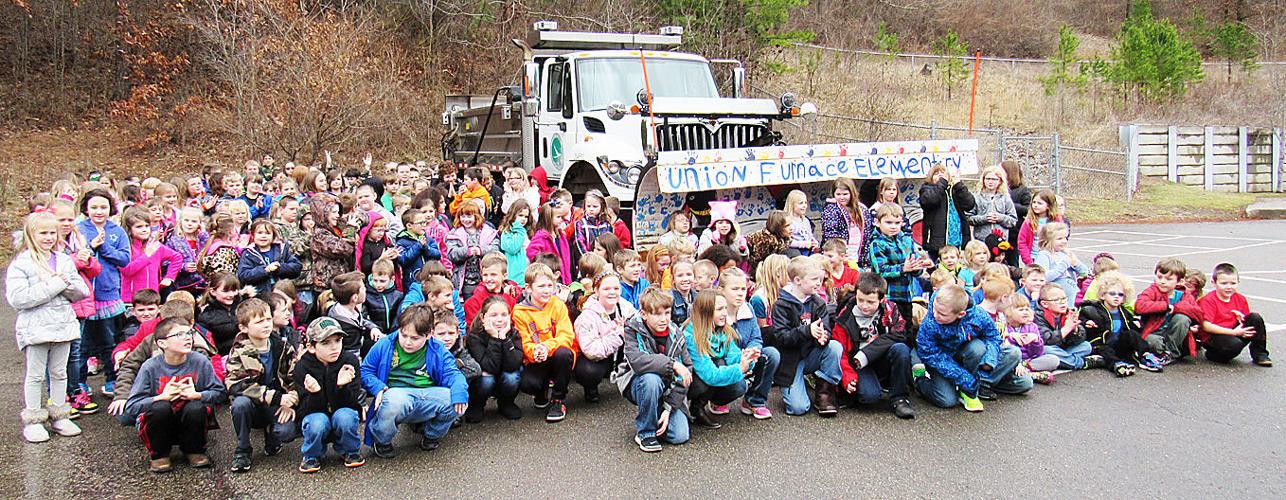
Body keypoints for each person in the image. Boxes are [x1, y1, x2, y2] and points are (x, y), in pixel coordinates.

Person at [8, 212, 90, 442]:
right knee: (35, 374)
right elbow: (19, 299)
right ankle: (34, 419)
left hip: (63, 325)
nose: (48, 237)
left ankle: (60, 413)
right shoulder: (22, 264)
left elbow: (80, 291)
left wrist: (64, 284)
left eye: (52, 233)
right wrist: (55, 284)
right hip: (36, 328)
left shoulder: (63, 259)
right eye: (43, 233)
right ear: (31, 234)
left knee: (59, 372)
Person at [360, 304, 468, 458]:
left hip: (427, 395)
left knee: (455, 399)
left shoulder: (438, 349)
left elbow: (453, 374)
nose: (408, 342)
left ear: (429, 334)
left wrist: (460, 393)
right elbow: (365, 370)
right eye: (404, 335)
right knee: (394, 400)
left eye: (415, 338)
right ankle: (382, 440)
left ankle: (431, 434)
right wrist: (378, 387)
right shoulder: (385, 344)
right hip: (396, 396)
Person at [125, 318, 228, 473]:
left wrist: (197, 395)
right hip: (160, 423)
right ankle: (159, 454)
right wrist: (161, 396)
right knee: (160, 408)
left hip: (188, 422)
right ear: (162, 343)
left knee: (195, 407)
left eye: (189, 333)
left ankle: (194, 450)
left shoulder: (199, 361)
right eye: (179, 334)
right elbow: (132, 406)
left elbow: (220, 393)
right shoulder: (150, 367)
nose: (187, 337)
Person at [915, 285, 1032, 412]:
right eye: (934, 309)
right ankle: (920, 380)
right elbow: (929, 354)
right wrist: (964, 378)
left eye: (942, 314)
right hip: (942, 363)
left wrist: (989, 360)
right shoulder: (930, 323)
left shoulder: (978, 315)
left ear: (961, 314)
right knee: (947, 401)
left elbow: (993, 337)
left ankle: (978, 386)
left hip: (969, 358)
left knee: (1010, 358)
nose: (935, 315)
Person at [224, 298, 299, 473]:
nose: (266, 325)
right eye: (259, 322)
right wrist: (277, 397)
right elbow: (235, 384)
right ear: (244, 328)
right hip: (254, 404)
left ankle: (272, 434)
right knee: (239, 404)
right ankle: (243, 449)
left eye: (268, 319)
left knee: (286, 432)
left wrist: (292, 400)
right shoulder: (238, 351)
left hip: (276, 404)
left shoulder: (282, 345)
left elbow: (295, 376)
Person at [832, 272, 916, 419]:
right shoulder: (845, 315)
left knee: (901, 349)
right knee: (870, 397)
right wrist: (848, 376)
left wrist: (867, 353)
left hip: (880, 358)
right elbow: (840, 351)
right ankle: (865, 388)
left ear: (882, 299)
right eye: (860, 300)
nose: (864, 306)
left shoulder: (890, 310)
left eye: (870, 302)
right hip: (857, 365)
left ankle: (900, 398)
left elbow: (901, 335)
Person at [769, 256, 842, 417]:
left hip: (811, 353)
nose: (818, 283)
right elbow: (782, 338)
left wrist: (824, 337)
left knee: (835, 347)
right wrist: (807, 331)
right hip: (791, 360)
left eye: (820, 279)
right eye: (814, 279)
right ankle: (791, 387)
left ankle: (824, 393)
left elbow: (826, 328)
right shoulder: (781, 305)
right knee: (798, 408)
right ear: (797, 280)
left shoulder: (818, 302)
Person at [78, 189, 132, 397]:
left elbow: (124, 259)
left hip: (108, 293)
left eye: (103, 207)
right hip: (84, 294)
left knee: (109, 340)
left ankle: (112, 379)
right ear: (86, 209)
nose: (99, 211)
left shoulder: (117, 231)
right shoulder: (79, 229)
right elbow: (73, 256)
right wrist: (92, 247)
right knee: (83, 343)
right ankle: (79, 382)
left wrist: (105, 248)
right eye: (94, 207)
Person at [294, 317, 365, 472]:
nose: (334, 347)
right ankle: (312, 454)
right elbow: (304, 409)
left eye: (338, 340)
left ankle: (350, 450)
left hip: (341, 411)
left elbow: (352, 402)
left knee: (346, 416)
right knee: (316, 422)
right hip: (317, 414)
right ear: (311, 347)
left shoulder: (349, 360)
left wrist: (341, 386)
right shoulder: (302, 367)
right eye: (326, 343)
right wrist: (315, 393)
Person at [513, 263, 577, 422]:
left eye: (550, 285)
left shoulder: (558, 305)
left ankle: (558, 399)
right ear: (528, 288)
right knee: (527, 383)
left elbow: (567, 335)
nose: (547, 290)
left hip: (556, 354)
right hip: (537, 358)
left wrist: (546, 347)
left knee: (565, 353)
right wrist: (534, 352)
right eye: (541, 286)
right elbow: (524, 342)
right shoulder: (519, 312)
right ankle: (541, 391)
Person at [684, 290, 753, 430]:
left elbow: (733, 357)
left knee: (739, 385)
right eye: (720, 309)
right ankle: (688, 407)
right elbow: (709, 375)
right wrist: (740, 368)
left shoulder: (723, 329)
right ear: (706, 312)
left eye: (725, 308)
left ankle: (699, 408)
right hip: (686, 384)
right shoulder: (691, 335)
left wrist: (748, 359)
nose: (725, 313)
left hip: (709, 376)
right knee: (717, 365)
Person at [716, 268, 778, 419]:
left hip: (747, 356)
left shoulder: (748, 308)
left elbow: (756, 337)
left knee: (772, 355)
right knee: (737, 383)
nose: (740, 293)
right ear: (721, 290)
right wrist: (740, 358)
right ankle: (718, 399)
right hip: (726, 360)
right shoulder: (716, 312)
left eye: (743, 288)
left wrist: (753, 350)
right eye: (735, 289)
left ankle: (754, 401)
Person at [1078, 272, 1158, 377]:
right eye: (1112, 294)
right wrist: (1086, 323)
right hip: (1102, 344)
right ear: (1102, 295)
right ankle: (1116, 364)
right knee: (1105, 350)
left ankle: (1145, 355)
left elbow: (1130, 328)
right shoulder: (1091, 310)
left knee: (1132, 334)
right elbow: (1081, 322)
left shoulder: (1124, 312)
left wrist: (1136, 324)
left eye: (1120, 295)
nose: (1116, 297)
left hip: (1119, 344)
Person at [573, 271, 635, 403]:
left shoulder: (627, 308)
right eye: (606, 289)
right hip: (597, 360)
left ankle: (632, 383)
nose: (612, 292)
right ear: (596, 291)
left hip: (620, 355)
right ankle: (591, 387)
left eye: (616, 288)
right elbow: (591, 350)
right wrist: (618, 335)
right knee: (587, 371)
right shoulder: (587, 315)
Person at [868, 204, 934, 322]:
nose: (893, 226)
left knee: (907, 327)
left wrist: (920, 265)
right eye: (889, 222)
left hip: (906, 295)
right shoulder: (877, 244)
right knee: (892, 328)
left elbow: (915, 268)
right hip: (888, 296)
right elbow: (880, 271)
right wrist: (903, 268)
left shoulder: (907, 241)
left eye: (897, 223)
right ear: (878, 222)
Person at [464, 297, 525, 422]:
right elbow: (489, 366)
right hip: (486, 376)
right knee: (487, 379)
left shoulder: (513, 333)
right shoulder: (475, 336)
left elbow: (514, 364)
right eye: (493, 315)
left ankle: (506, 403)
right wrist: (495, 339)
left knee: (512, 376)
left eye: (504, 315)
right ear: (483, 318)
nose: (499, 319)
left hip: (505, 372)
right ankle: (477, 404)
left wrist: (504, 338)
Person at [1198, 263, 1271, 366]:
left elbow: (1246, 320)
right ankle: (1214, 355)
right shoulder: (1208, 300)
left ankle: (1260, 354)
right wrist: (1234, 332)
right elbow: (1206, 326)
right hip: (1214, 337)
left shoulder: (1240, 299)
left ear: (1238, 282)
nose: (1229, 287)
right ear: (1214, 283)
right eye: (1224, 283)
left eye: (1233, 283)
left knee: (1255, 318)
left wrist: (1241, 319)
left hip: (1235, 332)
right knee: (1233, 346)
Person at [1134, 257, 1202, 363]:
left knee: (1182, 318)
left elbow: (1198, 313)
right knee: (1151, 341)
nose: (1162, 282)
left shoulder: (1184, 295)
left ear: (1180, 281)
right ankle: (1165, 352)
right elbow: (1139, 306)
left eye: (1168, 279)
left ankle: (1170, 353)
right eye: (1159, 277)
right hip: (1155, 332)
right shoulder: (1152, 291)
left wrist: (1176, 308)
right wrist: (1165, 306)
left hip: (1176, 335)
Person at [119, 206, 183, 302]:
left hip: (152, 298)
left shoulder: (154, 245)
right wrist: (146, 256)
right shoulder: (124, 247)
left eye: (147, 226)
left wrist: (169, 277)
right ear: (129, 229)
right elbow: (127, 270)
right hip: (131, 300)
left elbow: (177, 257)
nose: (144, 229)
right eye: (139, 227)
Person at [1033, 285, 1103, 371]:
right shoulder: (1037, 316)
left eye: (1064, 298)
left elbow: (1080, 339)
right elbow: (1047, 340)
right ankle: (1082, 363)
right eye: (1056, 300)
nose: (1062, 302)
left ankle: (1065, 360)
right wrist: (1066, 329)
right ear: (1044, 304)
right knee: (1047, 350)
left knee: (1086, 346)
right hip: (1049, 348)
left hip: (1062, 349)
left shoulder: (1068, 313)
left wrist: (1075, 330)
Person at [919, 163, 977, 260]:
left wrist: (959, 185)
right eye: (936, 173)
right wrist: (942, 183)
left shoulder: (955, 190)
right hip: (937, 243)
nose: (940, 175)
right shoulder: (927, 189)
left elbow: (969, 205)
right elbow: (929, 200)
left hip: (957, 241)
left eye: (943, 173)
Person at [446, 202, 499, 298]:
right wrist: (467, 251)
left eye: (469, 216)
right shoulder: (454, 233)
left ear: (476, 216)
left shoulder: (488, 232)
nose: (466, 220)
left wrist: (481, 251)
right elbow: (451, 253)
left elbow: (495, 249)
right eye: (463, 216)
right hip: (465, 280)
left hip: (484, 279)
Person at [237, 220, 302, 297]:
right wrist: (265, 270)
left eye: (267, 233)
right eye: (260, 233)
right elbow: (243, 275)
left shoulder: (282, 249)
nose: (263, 236)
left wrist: (280, 268)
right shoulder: (248, 253)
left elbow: (296, 267)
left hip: (282, 294)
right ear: (253, 235)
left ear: (273, 236)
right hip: (259, 295)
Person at [1004, 294, 1059, 383]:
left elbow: (1037, 354)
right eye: (1021, 310)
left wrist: (1035, 340)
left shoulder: (1032, 327)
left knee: (1053, 360)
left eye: (1027, 309)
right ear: (1008, 312)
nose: (1025, 312)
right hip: (1011, 362)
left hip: (1028, 361)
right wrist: (1011, 337)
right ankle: (1030, 375)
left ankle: (1025, 371)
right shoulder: (1005, 328)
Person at [326, 271, 382, 358]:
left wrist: (372, 328)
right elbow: (352, 353)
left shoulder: (348, 310)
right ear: (355, 298)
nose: (366, 289)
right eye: (363, 288)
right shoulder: (345, 327)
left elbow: (362, 321)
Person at [1032, 222, 1085, 301]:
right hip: (1056, 299)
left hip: (1074, 297)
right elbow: (1043, 277)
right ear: (1048, 240)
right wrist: (1063, 265)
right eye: (1059, 239)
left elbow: (1084, 272)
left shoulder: (1064, 253)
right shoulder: (1044, 255)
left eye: (1065, 238)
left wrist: (1076, 263)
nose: (1064, 241)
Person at [821, 178, 868, 264]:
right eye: (838, 194)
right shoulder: (831, 210)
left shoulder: (862, 209)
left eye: (845, 194)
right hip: (841, 256)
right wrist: (841, 254)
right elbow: (831, 235)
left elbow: (867, 232)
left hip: (858, 253)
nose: (842, 197)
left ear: (852, 193)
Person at [967, 165, 1018, 242]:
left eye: (994, 179)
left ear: (1000, 181)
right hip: (981, 241)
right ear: (983, 180)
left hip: (1001, 241)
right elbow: (968, 218)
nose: (990, 182)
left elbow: (1013, 221)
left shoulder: (1005, 198)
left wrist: (999, 218)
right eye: (988, 179)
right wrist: (984, 218)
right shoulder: (976, 197)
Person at [166, 207, 209, 295]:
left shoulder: (202, 239)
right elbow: (165, 263)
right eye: (186, 220)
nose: (189, 224)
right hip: (182, 285)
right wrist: (183, 267)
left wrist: (203, 233)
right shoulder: (173, 241)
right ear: (180, 222)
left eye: (194, 221)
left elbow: (209, 251)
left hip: (201, 284)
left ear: (200, 224)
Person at [395, 208, 442, 289]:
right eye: (421, 223)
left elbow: (437, 255)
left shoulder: (428, 239)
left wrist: (426, 248)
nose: (424, 225)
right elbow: (403, 260)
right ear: (409, 225)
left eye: (425, 222)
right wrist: (418, 246)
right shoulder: (402, 242)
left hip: (430, 278)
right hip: (412, 281)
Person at [528, 202, 573, 284]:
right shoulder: (541, 236)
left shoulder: (561, 236)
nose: (562, 219)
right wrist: (546, 263)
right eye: (558, 217)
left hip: (563, 278)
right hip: (549, 278)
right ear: (548, 218)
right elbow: (531, 252)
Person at [1017, 190, 1065, 266]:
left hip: (1052, 258)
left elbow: (1061, 238)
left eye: (1039, 203)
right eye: (1034, 202)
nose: (1035, 205)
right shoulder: (1029, 221)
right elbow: (1022, 241)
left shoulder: (1056, 220)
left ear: (1049, 206)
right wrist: (1028, 260)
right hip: (1033, 258)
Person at [1002, 160, 1031, 266]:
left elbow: (1028, 209)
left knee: (1012, 261)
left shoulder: (1022, 190)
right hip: (999, 230)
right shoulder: (999, 189)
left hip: (1014, 232)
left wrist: (1009, 205)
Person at [364, 259, 405, 335]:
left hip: (392, 335)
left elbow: (399, 318)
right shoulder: (366, 296)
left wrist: (392, 334)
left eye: (382, 281)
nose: (378, 285)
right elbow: (363, 317)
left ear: (392, 279)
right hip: (374, 335)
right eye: (375, 280)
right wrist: (373, 328)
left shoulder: (398, 296)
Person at [745, 210, 792, 275]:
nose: (791, 228)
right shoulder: (765, 240)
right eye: (787, 226)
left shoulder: (786, 237)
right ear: (778, 227)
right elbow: (757, 262)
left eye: (791, 224)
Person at [497, 199, 532, 285]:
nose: (523, 219)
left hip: (527, 275)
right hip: (514, 277)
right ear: (513, 215)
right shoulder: (507, 232)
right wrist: (519, 230)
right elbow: (513, 248)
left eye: (526, 217)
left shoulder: (527, 232)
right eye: (520, 215)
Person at [571, 189, 613, 258]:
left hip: (604, 259)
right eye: (588, 206)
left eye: (595, 206)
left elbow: (610, 244)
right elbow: (580, 243)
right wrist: (587, 258)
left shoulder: (606, 224)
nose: (591, 209)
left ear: (601, 207)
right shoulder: (580, 224)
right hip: (588, 261)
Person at [669, 260, 697, 326]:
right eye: (680, 275)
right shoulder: (669, 299)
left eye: (689, 274)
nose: (685, 279)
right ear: (672, 279)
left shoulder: (698, 297)